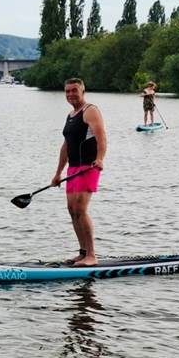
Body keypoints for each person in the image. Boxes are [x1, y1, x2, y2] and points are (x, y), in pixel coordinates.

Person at [52, 78, 107, 267]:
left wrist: (100, 159)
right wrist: (58, 173)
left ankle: (91, 255)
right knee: (72, 210)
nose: (70, 94)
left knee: (81, 210)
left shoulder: (90, 110)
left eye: (74, 90)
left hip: (89, 167)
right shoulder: (70, 115)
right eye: (67, 91)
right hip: (73, 168)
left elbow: (101, 137)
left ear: (82, 91)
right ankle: (82, 253)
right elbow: (66, 146)